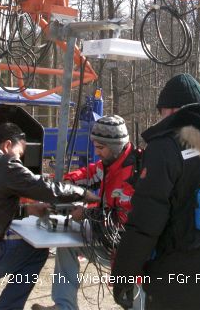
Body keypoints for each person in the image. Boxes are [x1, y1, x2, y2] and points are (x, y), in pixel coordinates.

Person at [111, 74, 200, 310]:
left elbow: (145, 223)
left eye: (162, 111)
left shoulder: (166, 147)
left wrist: (122, 276)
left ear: (172, 110)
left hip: (173, 286)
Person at [0, 122, 98, 310]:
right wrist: (83, 193)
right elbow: (46, 188)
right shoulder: (5, 163)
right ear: (6, 146)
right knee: (35, 252)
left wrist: (27, 210)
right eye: (20, 153)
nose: (20, 158)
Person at [31, 115, 143, 310]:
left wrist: (87, 214)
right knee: (67, 245)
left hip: (133, 254)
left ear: (116, 145)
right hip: (111, 243)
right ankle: (64, 306)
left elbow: (122, 223)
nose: (96, 152)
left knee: (135, 301)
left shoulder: (134, 174)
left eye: (100, 147)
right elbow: (89, 174)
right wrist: (65, 185)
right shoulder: (111, 163)